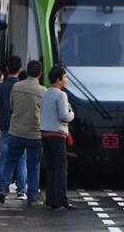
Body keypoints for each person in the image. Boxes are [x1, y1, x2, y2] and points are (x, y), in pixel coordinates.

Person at [0, 60, 45, 207]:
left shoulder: (16, 87)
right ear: (40, 74)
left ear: (27, 71)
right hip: (34, 134)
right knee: (33, 165)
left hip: (16, 131)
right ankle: (32, 196)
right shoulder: (43, 91)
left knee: (10, 162)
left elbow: (11, 106)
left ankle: (3, 189)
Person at [41, 65, 76, 210]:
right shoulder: (61, 95)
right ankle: (62, 199)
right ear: (58, 80)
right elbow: (64, 116)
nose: (66, 80)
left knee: (51, 168)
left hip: (45, 134)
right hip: (57, 134)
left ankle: (51, 200)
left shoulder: (46, 93)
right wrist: (72, 113)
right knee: (61, 168)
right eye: (65, 77)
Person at [0, 55, 27, 200]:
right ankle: (21, 190)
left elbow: (0, 104)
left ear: (7, 68)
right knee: (21, 160)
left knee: (5, 159)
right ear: (20, 69)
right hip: (19, 126)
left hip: (4, 125)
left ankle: (2, 188)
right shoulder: (22, 87)